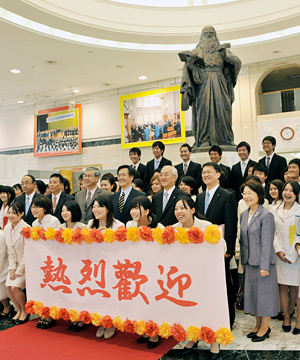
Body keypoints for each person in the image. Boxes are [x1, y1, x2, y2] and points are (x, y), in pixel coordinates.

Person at [172, 195, 222, 357]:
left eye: (183, 208)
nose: (179, 212)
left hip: (206, 276)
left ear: (192, 210)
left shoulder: (206, 226)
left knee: (209, 309)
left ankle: (214, 342)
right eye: (176, 208)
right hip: (185, 278)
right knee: (191, 310)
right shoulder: (172, 229)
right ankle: (193, 338)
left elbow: (222, 247)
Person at [179, 26, 241, 148]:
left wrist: (227, 57)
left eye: (211, 33)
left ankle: (226, 138)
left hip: (220, 84)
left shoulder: (222, 50)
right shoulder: (196, 51)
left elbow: (237, 62)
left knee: (223, 112)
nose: (208, 36)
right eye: (206, 33)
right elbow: (193, 74)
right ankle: (203, 140)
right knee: (203, 112)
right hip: (203, 86)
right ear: (202, 36)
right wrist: (190, 64)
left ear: (215, 35)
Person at [196, 162, 237, 328]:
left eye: (209, 172)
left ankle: (229, 320)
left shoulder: (227, 195)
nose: (205, 175)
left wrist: (229, 250)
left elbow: (231, 224)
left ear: (218, 174)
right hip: (203, 248)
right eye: (203, 172)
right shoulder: (198, 197)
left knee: (224, 285)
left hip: (221, 248)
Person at [240, 181, 280, 342]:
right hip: (249, 262)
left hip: (263, 264)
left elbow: (267, 242)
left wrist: (264, 265)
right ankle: (257, 325)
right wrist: (243, 260)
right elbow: (243, 240)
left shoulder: (266, 215)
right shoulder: (244, 214)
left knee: (264, 297)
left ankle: (264, 328)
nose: (247, 196)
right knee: (253, 296)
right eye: (244, 193)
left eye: (250, 193)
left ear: (259, 195)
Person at [126, 196, 161, 348]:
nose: (133, 212)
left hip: (152, 270)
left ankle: (155, 333)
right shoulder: (129, 225)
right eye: (132, 208)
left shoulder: (158, 226)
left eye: (137, 208)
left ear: (147, 211)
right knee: (139, 302)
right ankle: (144, 330)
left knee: (152, 302)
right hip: (136, 270)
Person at [88, 195, 124, 340]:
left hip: (111, 267)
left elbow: (123, 249)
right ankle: (101, 321)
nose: (96, 210)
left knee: (109, 296)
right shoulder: (90, 223)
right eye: (94, 206)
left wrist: (109, 236)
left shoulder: (118, 225)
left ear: (107, 209)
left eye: (99, 206)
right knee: (98, 296)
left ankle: (110, 323)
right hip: (94, 266)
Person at [271, 181, 300, 333]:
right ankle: (287, 318)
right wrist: (278, 250)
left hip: (296, 256)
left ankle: (298, 320)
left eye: (291, 191)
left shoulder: (299, 210)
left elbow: (298, 235)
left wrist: (292, 254)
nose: (288, 193)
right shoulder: (274, 209)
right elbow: (272, 231)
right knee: (282, 286)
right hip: (280, 254)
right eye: (285, 190)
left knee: (296, 286)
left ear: (297, 194)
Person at [4, 202, 29, 324]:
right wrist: (12, 268)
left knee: (15, 287)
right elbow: (10, 251)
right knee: (7, 287)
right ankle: (18, 310)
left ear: (22, 214)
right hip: (14, 264)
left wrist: (19, 272)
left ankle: (25, 311)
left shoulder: (26, 229)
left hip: (26, 265)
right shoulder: (7, 228)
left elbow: (27, 253)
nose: (11, 215)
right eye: (9, 212)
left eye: (14, 213)